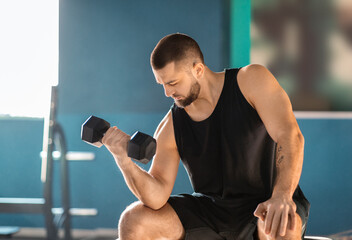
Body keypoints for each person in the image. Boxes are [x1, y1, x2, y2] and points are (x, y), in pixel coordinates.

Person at [101, 33, 310, 240]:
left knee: (279, 226)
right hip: (211, 211)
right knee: (134, 219)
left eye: (173, 82)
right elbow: (156, 197)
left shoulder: (251, 81)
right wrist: (124, 161)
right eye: (162, 84)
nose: (167, 92)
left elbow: (289, 136)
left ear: (198, 70)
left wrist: (282, 195)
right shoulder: (171, 125)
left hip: (267, 200)